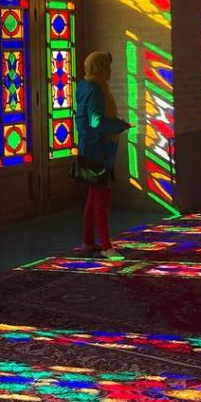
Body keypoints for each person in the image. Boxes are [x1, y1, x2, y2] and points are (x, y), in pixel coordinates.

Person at [75, 51, 131, 260]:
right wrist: (119, 125)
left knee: (93, 197)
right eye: (107, 67)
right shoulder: (96, 91)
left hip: (88, 149)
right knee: (102, 198)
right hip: (98, 151)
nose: (110, 71)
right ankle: (106, 246)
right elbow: (97, 121)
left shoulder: (84, 87)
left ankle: (89, 241)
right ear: (100, 69)